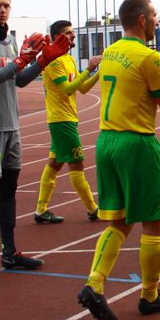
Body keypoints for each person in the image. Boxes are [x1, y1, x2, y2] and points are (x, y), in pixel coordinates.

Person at [77, 0, 160, 320]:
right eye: (154, 17)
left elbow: (142, 88)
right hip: (136, 144)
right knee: (154, 222)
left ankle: (94, 284)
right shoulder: (148, 57)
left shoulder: (110, 53)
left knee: (119, 222)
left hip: (106, 141)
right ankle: (149, 295)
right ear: (142, 21)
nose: (158, 22)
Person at [0, 0, 71, 288]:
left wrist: (42, 61)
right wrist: (21, 60)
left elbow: (18, 79)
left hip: (11, 127)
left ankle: (9, 253)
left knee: (9, 190)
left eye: (6, 6)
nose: (3, 10)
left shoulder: (9, 41)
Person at [33, 20, 102, 225]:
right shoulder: (53, 62)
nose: (73, 36)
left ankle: (41, 210)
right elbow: (68, 89)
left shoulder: (69, 59)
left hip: (67, 119)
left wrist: (99, 72)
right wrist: (89, 69)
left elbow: (82, 89)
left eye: (72, 32)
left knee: (54, 165)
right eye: (68, 33)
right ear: (57, 38)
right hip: (61, 120)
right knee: (77, 164)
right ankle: (92, 209)